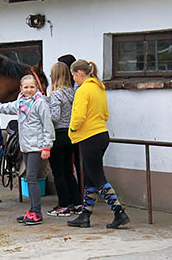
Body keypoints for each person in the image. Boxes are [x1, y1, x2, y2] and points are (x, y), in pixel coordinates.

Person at [0, 74, 55, 225]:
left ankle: (37, 213)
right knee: (28, 178)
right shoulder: (21, 102)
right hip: (25, 146)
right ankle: (32, 210)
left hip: (36, 147)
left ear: (37, 88)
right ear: (21, 89)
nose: (29, 90)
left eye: (32, 87)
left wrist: (47, 147)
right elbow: (6, 107)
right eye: (26, 87)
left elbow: (48, 126)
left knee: (32, 178)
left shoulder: (40, 103)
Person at [66, 59, 130, 229]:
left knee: (98, 178)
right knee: (89, 178)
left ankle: (119, 212)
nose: (74, 79)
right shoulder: (99, 88)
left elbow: (78, 117)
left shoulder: (82, 90)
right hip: (102, 134)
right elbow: (106, 114)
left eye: (73, 75)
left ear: (79, 73)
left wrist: (72, 130)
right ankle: (85, 215)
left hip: (89, 137)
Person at [46, 62, 81, 217]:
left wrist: (43, 116)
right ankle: (77, 202)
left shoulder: (56, 94)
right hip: (71, 135)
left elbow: (54, 117)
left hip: (58, 135)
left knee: (58, 173)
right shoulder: (72, 93)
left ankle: (63, 205)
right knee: (68, 171)